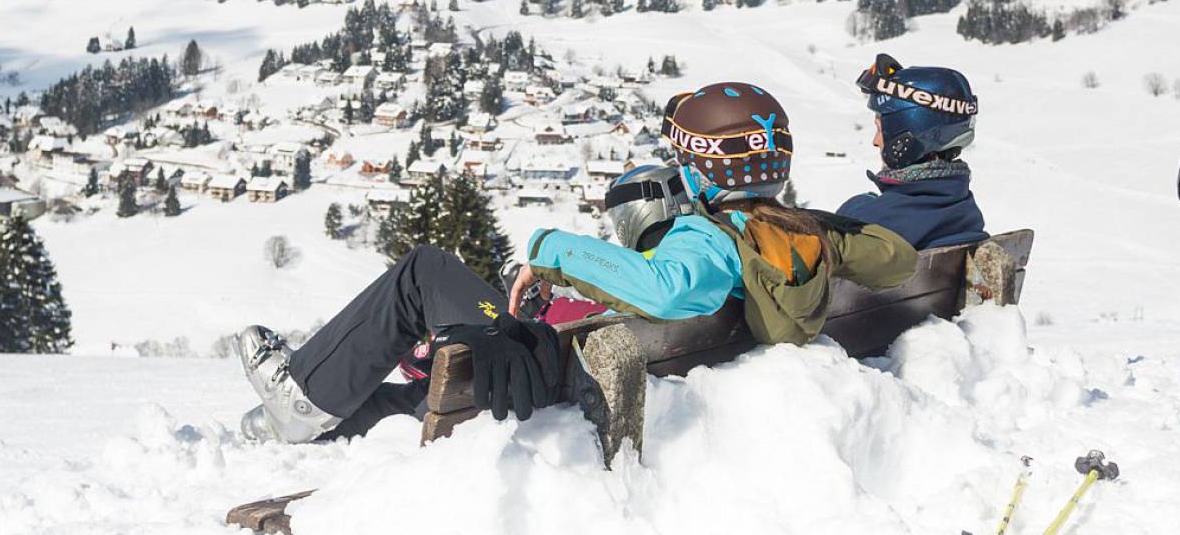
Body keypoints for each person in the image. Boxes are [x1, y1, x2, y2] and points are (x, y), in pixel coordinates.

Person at [232, 82, 917, 443]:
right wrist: (826, 229)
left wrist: (551, 253)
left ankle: (304, 398)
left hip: (566, 380)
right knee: (449, 364)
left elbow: (666, 289)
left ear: (706, 169)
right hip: (590, 365)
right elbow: (896, 261)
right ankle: (319, 423)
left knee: (425, 272)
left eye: (686, 160)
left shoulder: (709, 240)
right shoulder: (800, 237)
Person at [839, 53, 989, 250]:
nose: (875, 142)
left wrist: (857, 206)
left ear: (906, 134)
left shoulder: (868, 222)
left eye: (879, 129)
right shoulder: (965, 210)